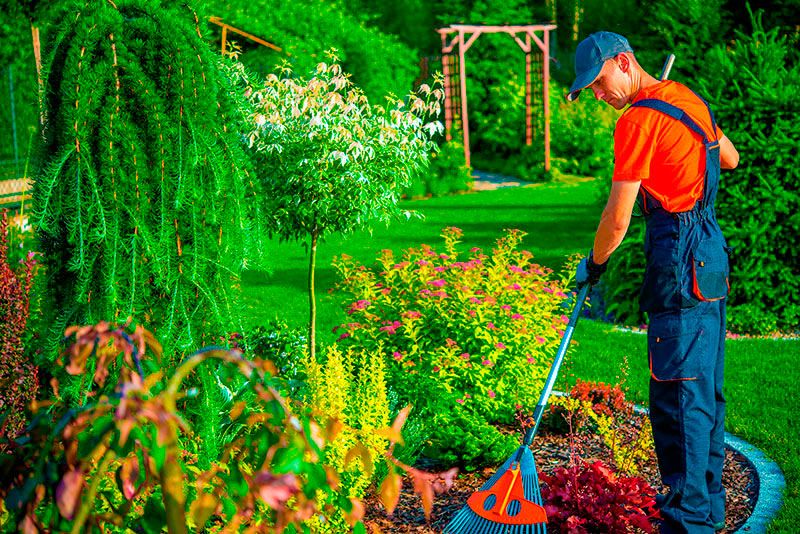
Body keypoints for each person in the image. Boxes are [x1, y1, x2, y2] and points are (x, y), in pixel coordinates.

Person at [568, 32, 740, 533]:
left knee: (677, 398)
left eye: (600, 82)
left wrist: (595, 264)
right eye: (590, 89)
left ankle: (687, 523)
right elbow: (729, 158)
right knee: (703, 391)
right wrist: (673, 137)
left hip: (677, 258)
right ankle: (707, 510)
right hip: (709, 253)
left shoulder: (637, 121)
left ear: (624, 62)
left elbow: (618, 218)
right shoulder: (685, 98)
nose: (599, 95)